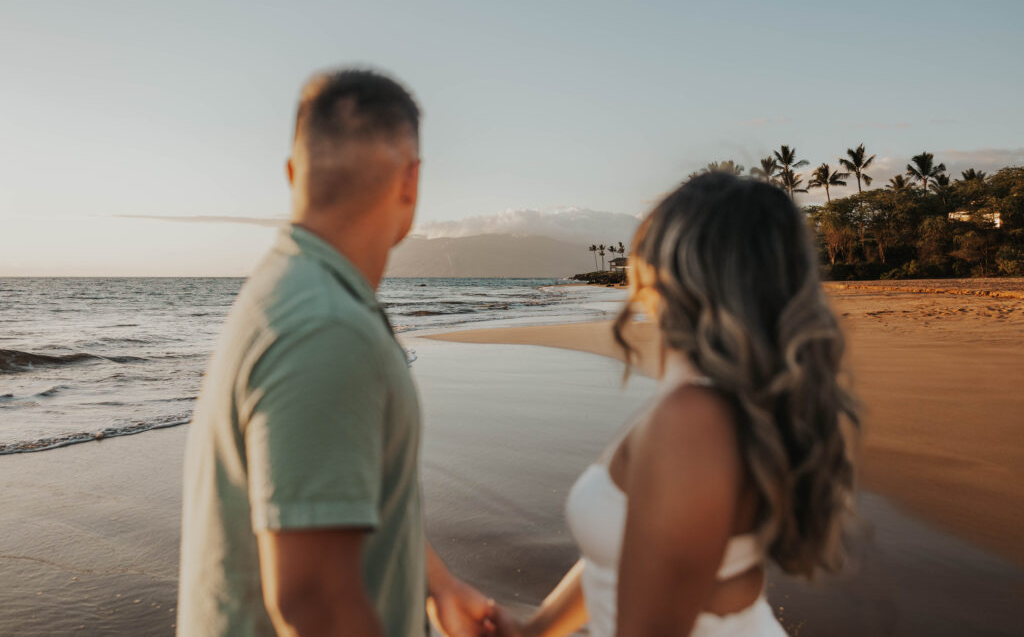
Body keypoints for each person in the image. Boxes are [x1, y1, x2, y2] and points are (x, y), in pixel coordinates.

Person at [177, 68, 496, 636]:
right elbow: (314, 602)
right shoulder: (326, 327)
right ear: (410, 181)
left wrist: (438, 585)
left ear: (293, 172)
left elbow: (335, 487)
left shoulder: (297, 289)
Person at [501, 173, 858, 636]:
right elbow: (621, 556)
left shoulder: (694, 421)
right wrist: (532, 632)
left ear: (666, 264)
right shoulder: (715, 395)